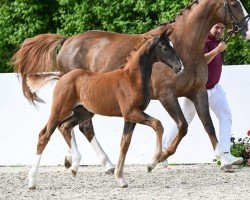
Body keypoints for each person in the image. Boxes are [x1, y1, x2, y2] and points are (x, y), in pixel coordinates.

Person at [162, 23, 243, 171]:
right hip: (198, 90)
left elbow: (230, 35)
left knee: (225, 115)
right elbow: (201, 61)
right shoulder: (203, 41)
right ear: (209, 27)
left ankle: (225, 154)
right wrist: (217, 50)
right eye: (216, 27)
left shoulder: (218, 40)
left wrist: (233, 32)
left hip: (214, 88)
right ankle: (163, 151)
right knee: (184, 120)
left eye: (222, 28)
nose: (219, 31)